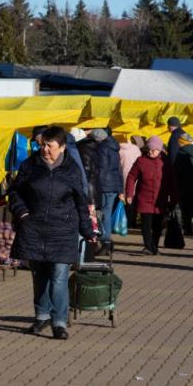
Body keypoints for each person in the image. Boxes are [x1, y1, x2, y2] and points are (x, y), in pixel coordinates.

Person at [9, 126, 94, 340]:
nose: (45, 149)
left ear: (62, 147)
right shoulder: (30, 165)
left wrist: (87, 230)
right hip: (35, 228)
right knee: (39, 276)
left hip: (63, 231)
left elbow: (81, 202)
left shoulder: (72, 169)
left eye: (50, 146)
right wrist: (22, 212)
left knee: (58, 276)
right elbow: (15, 192)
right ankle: (41, 316)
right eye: (43, 145)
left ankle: (59, 322)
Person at [123, 136, 177, 255]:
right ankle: (148, 246)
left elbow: (172, 180)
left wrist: (173, 198)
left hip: (160, 199)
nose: (150, 152)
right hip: (144, 197)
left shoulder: (166, 161)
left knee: (158, 224)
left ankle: (154, 246)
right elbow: (131, 177)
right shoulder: (141, 160)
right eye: (149, 149)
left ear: (159, 150)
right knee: (146, 224)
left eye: (153, 150)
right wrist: (129, 193)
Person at [90, 128, 122, 256]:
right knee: (107, 212)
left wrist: (98, 185)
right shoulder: (114, 147)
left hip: (104, 185)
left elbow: (102, 169)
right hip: (114, 184)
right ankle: (107, 242)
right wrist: (120, 188)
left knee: (104, 214)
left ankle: (106, 241)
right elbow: (118, 169)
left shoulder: (102, 148)